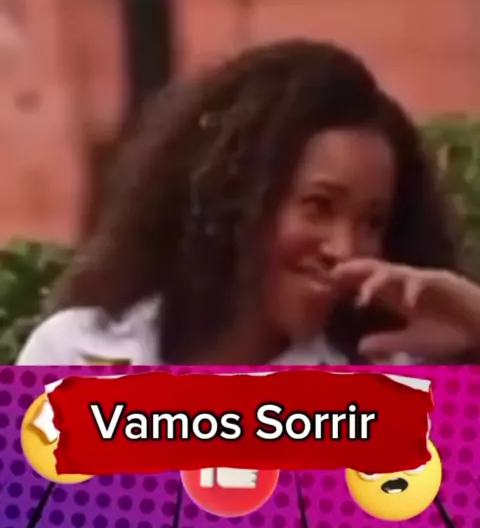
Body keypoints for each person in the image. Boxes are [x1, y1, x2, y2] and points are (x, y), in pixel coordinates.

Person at [17, 39, 480, 366]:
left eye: (372, 222)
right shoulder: (75, 354)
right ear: (235, 195)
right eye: (319, 206)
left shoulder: (386, 389)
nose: (346, 249)